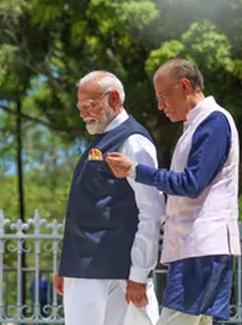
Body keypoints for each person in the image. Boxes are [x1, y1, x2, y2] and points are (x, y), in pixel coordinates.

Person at [105, 58, 241, 325]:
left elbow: (191, 184)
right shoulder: (198, 125)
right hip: (198, 249)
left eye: (163, 96)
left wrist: (136, 170)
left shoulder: (213, 122)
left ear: (185, 86)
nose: (160, 105)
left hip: (201, 249)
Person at [55, 70, 166, 325]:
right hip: (85, 273)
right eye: (80, 106)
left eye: (89, 105)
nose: (83, 113)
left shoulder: (133, 141)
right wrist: (67, 268)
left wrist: (139, 274)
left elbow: (151, 210)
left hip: (113, 275)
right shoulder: (103, 140)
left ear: (114, 99)